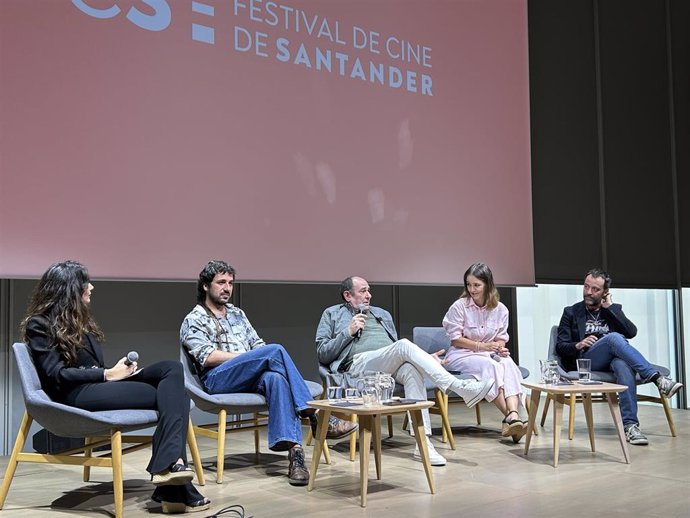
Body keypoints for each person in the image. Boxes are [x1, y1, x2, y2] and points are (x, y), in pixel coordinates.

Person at [21, 260, 209, 514]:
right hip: (74, 396)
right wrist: (108, 374)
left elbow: (91, 366)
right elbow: (56, 374)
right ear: (70, 288)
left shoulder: (80, 322)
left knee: (171, 370)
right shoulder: (39, 324)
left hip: (96, 386)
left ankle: (170, 475)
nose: (91, 287)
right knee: (173, 397)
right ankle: (171, 477)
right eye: (86, 282)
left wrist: (119, 371)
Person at [180, 260, 357, 487]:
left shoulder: (237, 314)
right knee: (274, 351)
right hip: (217, 379)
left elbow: (257, 343)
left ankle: (295, 457)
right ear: (205, 286)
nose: (227, 288)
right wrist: (247, 358)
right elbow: (207, 357)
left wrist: (256, 357)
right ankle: (317, 414)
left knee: (275, 378)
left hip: (248, 376)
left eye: (231, 283)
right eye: (221, 282)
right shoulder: (194, 318)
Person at [315, 276, 495, 466]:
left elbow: (395, 350)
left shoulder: (381, 314)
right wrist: (348, 332)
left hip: (386, 367)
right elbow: (322, 353)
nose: (369, 295)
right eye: (363, 291)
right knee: (403, 345)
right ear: (347, 296)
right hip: (358, 367)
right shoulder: (332, 314)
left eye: (369, 290)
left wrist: (425, 360)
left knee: (411, 369)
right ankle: (457, 386)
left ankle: (423, 444)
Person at [557, 268, 683, 445]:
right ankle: (658, 379)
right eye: (586, 287)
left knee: (623, 365)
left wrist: (611, 308)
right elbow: (560, 346)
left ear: (605, 293)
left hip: (612, 361)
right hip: (587, 361)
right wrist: (579, 344)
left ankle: (631, 427)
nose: (588, 292)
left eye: (595, 289)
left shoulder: (612, 311)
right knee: (614, 338)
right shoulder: (571, 312)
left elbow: (631, 332)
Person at [441, 263, 527, 443]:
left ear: (488, 284)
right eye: (468, 284)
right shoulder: (459, 306)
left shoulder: (501, 309)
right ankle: (513, 419)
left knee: (507, 363)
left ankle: (512, 417)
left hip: (487, 354)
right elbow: (456, 339)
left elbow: (501, 338)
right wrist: (482, 347)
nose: (472, 289)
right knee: (490, 366)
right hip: (461, 355)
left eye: (476, 285)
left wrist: (500, 347)